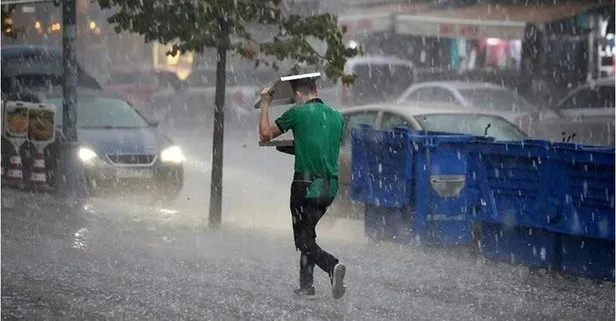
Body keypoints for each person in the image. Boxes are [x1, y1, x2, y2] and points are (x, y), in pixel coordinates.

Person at [258, 77, 346, 299]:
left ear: (297, 95)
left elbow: (265, 134)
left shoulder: (297, 112)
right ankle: (306, 286)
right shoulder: (337, 116)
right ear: (315, 89)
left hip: (305, 185)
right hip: (329, 188)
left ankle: (331, 265)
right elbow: (321, 147)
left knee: (303, 240)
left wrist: (266, 103)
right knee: (308, 233)